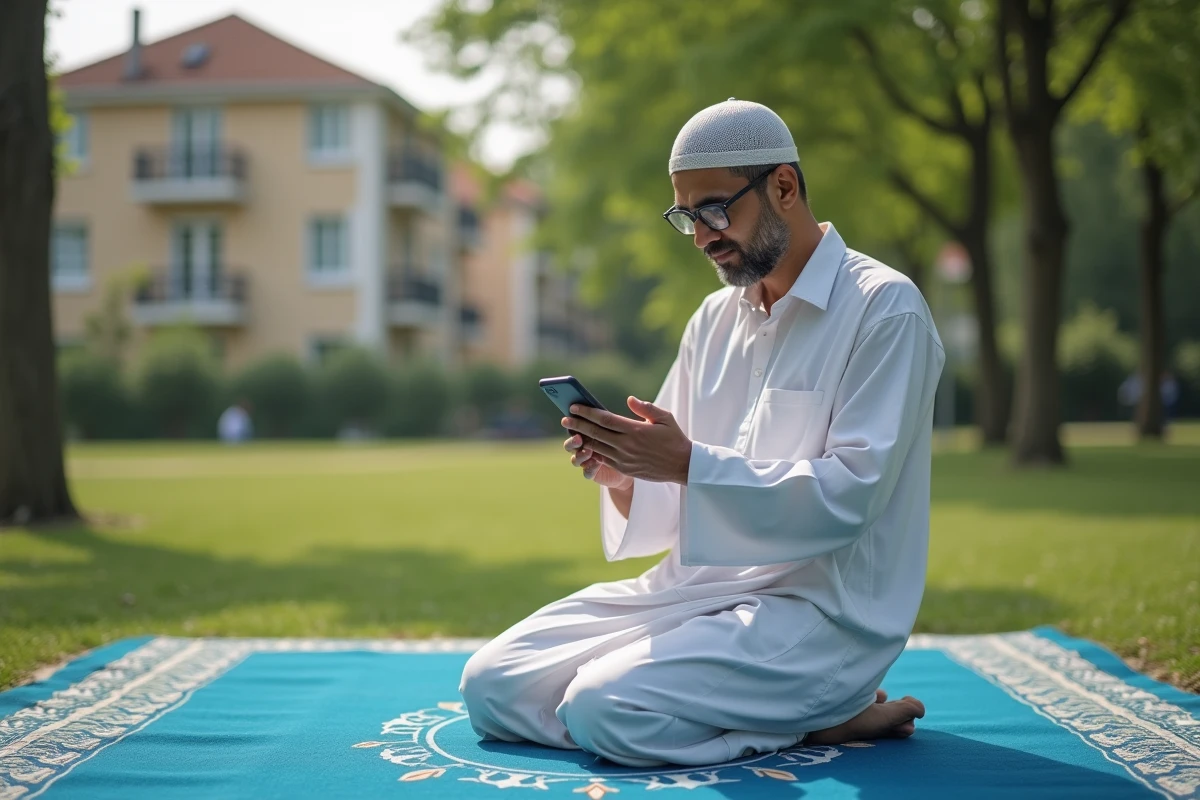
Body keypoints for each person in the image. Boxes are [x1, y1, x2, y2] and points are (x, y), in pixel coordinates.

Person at [460, 99, 945, 767]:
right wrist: (626, 473)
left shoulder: (885, 308)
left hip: (820, 615)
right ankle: (793, 718)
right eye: (686, 215)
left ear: (783, 185)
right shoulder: (714, 318)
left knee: (604, 708)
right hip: (690, 590)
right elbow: (673, 495)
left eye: (715, 208)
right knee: (491, 684)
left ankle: (822, 713)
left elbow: (850, 497)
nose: (700, 235)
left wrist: (687, 464)